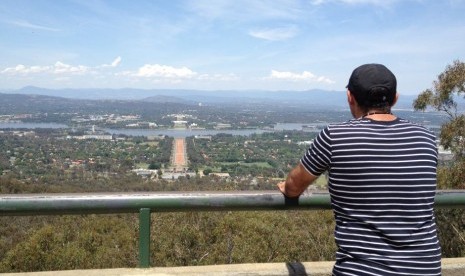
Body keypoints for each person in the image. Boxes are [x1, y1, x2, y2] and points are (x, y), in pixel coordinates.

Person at [278, 63, 441, 275]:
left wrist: (287, 186)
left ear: (350, 97)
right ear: (395, 99)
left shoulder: (335, 136)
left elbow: (292, 187)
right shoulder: (426, 138)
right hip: (424, 269)